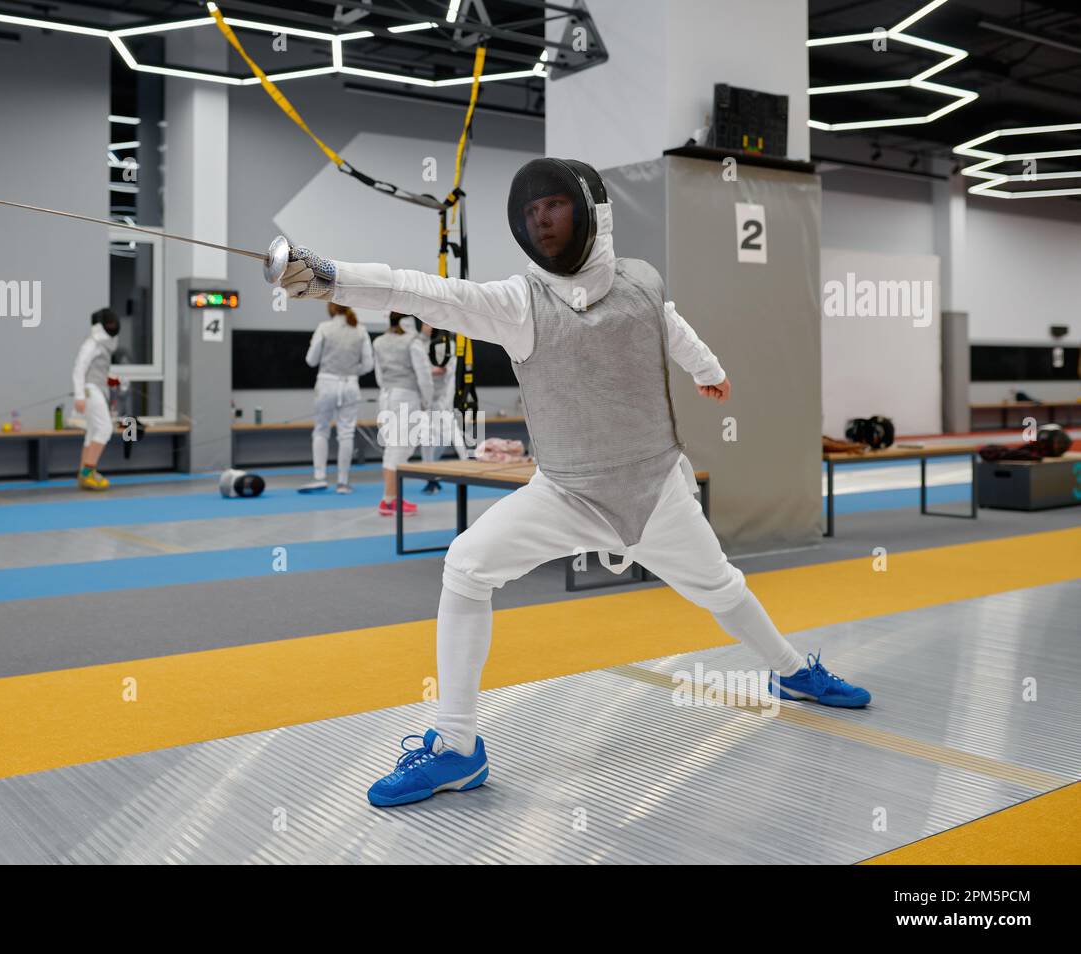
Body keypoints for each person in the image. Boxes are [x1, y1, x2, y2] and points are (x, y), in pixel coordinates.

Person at [273, 157, 872, 808]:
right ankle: (457, 747)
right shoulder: (518, 304)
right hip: (564, 493)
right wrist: (330, 276)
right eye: (531, 212)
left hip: (654, 492)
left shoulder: (641, 281)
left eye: (554, 205)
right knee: (467, 565)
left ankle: (792, 673)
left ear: (593, 212)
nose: (542, 221)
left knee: (721, 587)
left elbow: (668, 323)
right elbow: (424, 292)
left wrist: (708, 369)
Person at [300, 302, 374, 494]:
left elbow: (311, 360)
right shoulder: (360, 330)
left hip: (327, 383)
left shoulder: (324, 328)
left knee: (321, 429)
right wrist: (351, 372)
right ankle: (343, 482)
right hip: (350, 385)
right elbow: (368, 365)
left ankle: (319, 477)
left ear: (331, 308)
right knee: (346, 433)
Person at [372, 312, 434, 516]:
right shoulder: (413, 342)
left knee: (392, 447)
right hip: (405, 396)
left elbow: (379, 376)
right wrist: (427, 401)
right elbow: (424, 376)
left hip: (386, 396)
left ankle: (390, 498)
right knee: (400, 448)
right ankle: (389, 500)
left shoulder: (379, 342)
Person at [417, 321, 470, 494]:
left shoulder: (449, 345)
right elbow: (416, 371)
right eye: (425, 323)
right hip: (423, 398)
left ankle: (461, 465)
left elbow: (450, 372)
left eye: (431, 323)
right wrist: (429, 372)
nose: (429, 327)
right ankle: (430, 478)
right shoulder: (417, 344)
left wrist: (448, 402)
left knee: (445, 437)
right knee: (427, 437)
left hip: (442, 399)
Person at [71, 307, 120, 491]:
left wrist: (111, 379)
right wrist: (79, 396)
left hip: (96, 388)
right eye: (109, 323)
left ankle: (83, 474)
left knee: (93, 432)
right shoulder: (91, 343)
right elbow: (79, 368)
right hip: (90, 390)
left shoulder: (103, 345)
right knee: (105, 429)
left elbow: (96, 370)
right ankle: (88, 473)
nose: (112, 326)